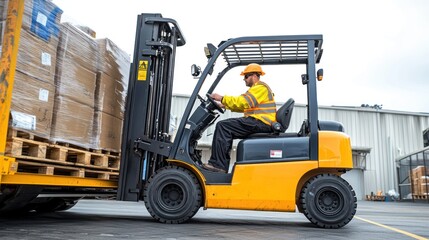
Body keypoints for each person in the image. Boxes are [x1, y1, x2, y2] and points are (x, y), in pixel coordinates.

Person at [202, 63, 276, 173]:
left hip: (261, 122)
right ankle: (220, 165)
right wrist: (225, 105)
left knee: (223, 126)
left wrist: (222, 98)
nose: (244, 80)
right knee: (226, 127)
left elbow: (243, 102)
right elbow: (245, 107)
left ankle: (218, 165)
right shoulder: (257, 90)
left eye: (246, 76)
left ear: (254, 75)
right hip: (258, 122)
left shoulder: (260, 88)